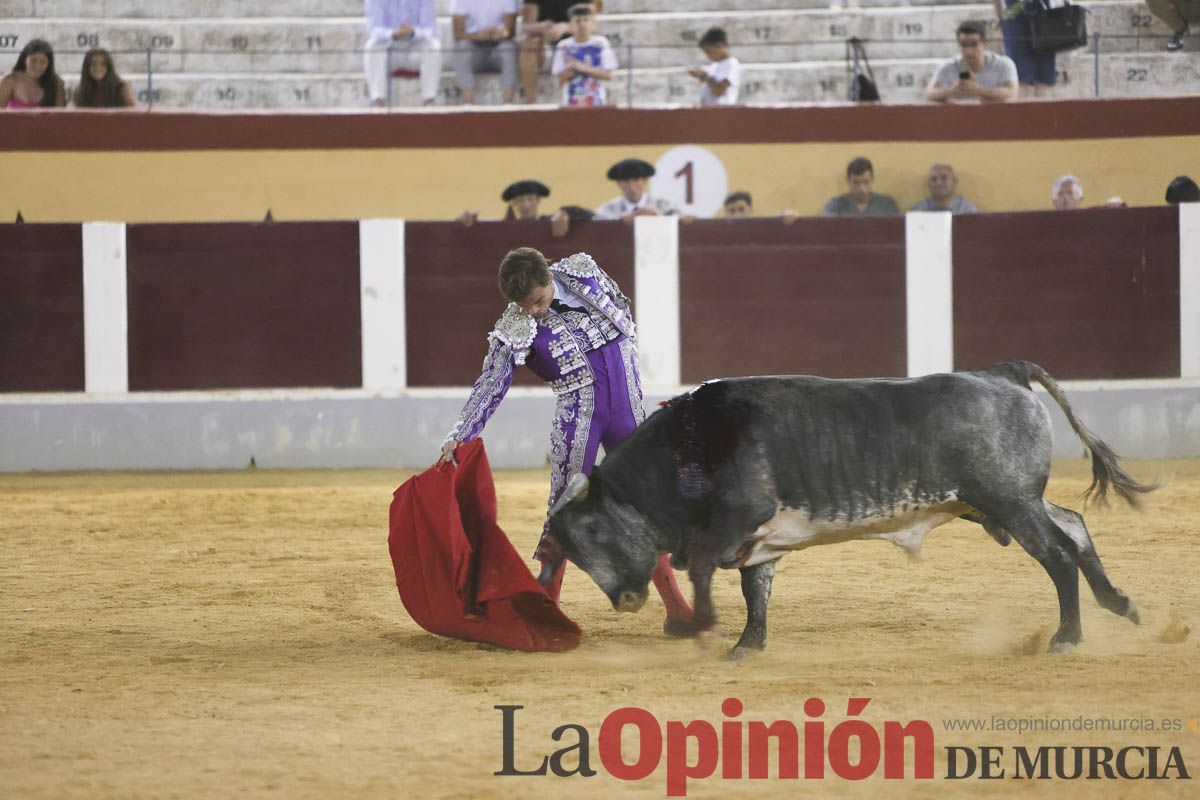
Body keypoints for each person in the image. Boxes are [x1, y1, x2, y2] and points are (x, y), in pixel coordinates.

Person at [437, 247, 695, 630]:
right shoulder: (514, 326)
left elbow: (622, 308)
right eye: (526, 307)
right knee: (565, 512)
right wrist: (460, 434)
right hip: (581, 421)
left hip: (629, 412)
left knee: (648, 510)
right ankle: (546, 613)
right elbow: (491, 384)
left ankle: (677, 611)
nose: (535, 312)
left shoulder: (583, 271)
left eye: (538, 301)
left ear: (548, 279)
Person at [363, 0, 443, 107]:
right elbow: (373, 29)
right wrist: (393, 33)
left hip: (415, 51)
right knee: (372, 46)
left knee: (433, 46)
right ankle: (378, 101)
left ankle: (429, 101)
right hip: (390, 52)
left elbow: (430, 30)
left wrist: (413, 32)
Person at [519, 1, 601, 103]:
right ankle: (531, 103)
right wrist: (542, 28)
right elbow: (526, 26)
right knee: (528, 45)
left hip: (573, 46)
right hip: (543, 47)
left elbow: (592, 25)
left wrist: (565, 27)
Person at [926, 20, 1018, 104]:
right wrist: (954, 90)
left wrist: (979, 90)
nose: (969, 51)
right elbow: (929, 94)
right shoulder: (948, 66)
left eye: (974, 44)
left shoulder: (1003, 65)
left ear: (984, 44)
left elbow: (1012, 93)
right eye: (964, 45)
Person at [456, 179, 586, 236]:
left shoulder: (552, 221)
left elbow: (591, 215)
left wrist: (566, 212)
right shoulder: (505, 227)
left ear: (538, 200)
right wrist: (463, 221)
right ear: (514, 204)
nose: (526, 204)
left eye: (530, 199)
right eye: (521, 200)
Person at [451, 0, 520, 104]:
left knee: (509, 47)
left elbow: (511, 30)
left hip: (498, 46)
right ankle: (469, 104)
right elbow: (457, 34)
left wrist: (498, 33)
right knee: (461, 47)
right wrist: (478, 36)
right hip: (474, 48)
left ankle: (508, 103)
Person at [551, 3, 617, 107]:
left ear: (593, 24)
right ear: (570, 25)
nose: (582, 25)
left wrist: (582, 68)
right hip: (572, 102)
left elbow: (608, 75)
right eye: (577, 21)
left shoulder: (600, 43)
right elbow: (560, 81)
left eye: (586, 20)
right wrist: (568, 73)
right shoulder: (564, 46)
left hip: (596, 102)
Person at [994, 0, 1056, 95]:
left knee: (1039, 75)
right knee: (1025, 75)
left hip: (1024, 14)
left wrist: (999, 16)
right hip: (1029, 15)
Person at [594, 158, 681, 220]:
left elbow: (679, 221)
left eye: (636, 180)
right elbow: (597, 223)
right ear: (619, 183)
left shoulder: (662, 205)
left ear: (645, 181)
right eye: (625, 181)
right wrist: (619, 221)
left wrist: (659, 217)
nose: (631, 186)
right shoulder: (609, 208)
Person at [821, 157, 900, 216]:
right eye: (856, 183)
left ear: (872, 178)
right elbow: (826, 232)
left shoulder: (886, 205)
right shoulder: (835, 206)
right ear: (848, 180)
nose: (861, 188)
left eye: (866, 182)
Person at [0, 39, 66, 109]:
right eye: (33, 60)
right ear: (24, 59)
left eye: (43, 62)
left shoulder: (56, 84)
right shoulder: (11, 81)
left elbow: (60, 115)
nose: (38, 66)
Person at [687, 26, 740, 106]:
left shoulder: (731, 64)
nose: (708, 56)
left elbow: (719, 90)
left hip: (722, 111)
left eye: (709, 52)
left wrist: (704, 76)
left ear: (719, 46)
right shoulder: (715, 66)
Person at [910, 164, 979, 213]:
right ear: (928, 184)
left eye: (944, 178)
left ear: (954, 182)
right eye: (933, 179)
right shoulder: (920, 209)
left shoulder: (967, 209)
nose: (938, 183)